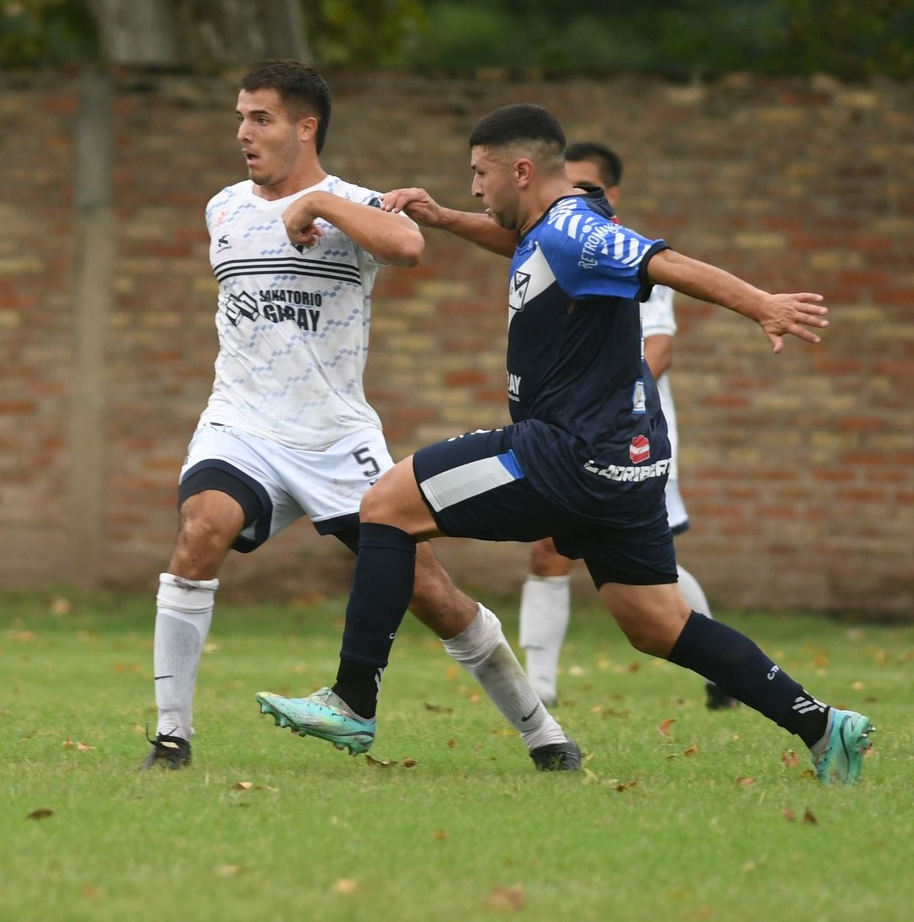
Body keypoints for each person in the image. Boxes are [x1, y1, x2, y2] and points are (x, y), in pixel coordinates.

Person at [255, 103, 875, 786]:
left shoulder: (577, 230)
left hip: (566, 452)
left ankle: (352, 701)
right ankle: (822, 725)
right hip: (628, 462)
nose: (474, 188)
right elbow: (523, 245)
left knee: (385, 506)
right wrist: (442, 218)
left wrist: (762, 304)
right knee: (657, 624)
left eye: (480, 174)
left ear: (521, 171)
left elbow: (663, 262)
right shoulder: (553, 228)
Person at [144, 63, 580, 773]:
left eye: (260, 118)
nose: (243, 133)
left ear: (305, 127)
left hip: (335, 437)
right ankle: (171, 738)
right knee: (201, 530)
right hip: (241, 423)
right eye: (240, 117)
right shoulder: (222, 208)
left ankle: (545, 735)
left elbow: (408, 247)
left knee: (432, 594)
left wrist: (318, 204)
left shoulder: (356, 203)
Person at [518, 141, 736, 711]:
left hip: (631, 438)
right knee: (552, 551)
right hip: (572, 432)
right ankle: (538, 692)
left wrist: (601, 396)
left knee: (648, 571)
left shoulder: (628, 254)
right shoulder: (551, 244)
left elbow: (658, 348)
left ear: (611, 194)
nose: (569, 195)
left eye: (584, 185)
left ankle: (726, 668)